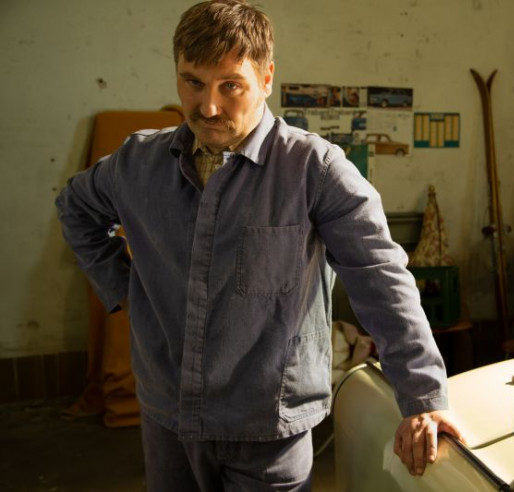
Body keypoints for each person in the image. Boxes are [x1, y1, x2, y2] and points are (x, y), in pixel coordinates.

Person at [56, 1, 463, 489]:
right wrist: (126, 291)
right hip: (169, 415)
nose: (208, 107)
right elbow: (75, 209)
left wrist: (423, 397)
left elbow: (381, 279)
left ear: (266, 78)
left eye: (230, 85)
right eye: (193, 82)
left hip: (269, 428)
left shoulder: (314, 171)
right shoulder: (137, 164)